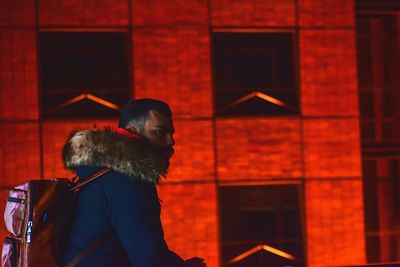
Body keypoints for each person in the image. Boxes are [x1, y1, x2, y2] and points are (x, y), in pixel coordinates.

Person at [61, 98, 207, 267]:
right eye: (160, 132)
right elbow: (147, 255)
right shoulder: (126, 177)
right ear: (132, 131)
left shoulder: (102, 171)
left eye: (171, 133)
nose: (170, 141)